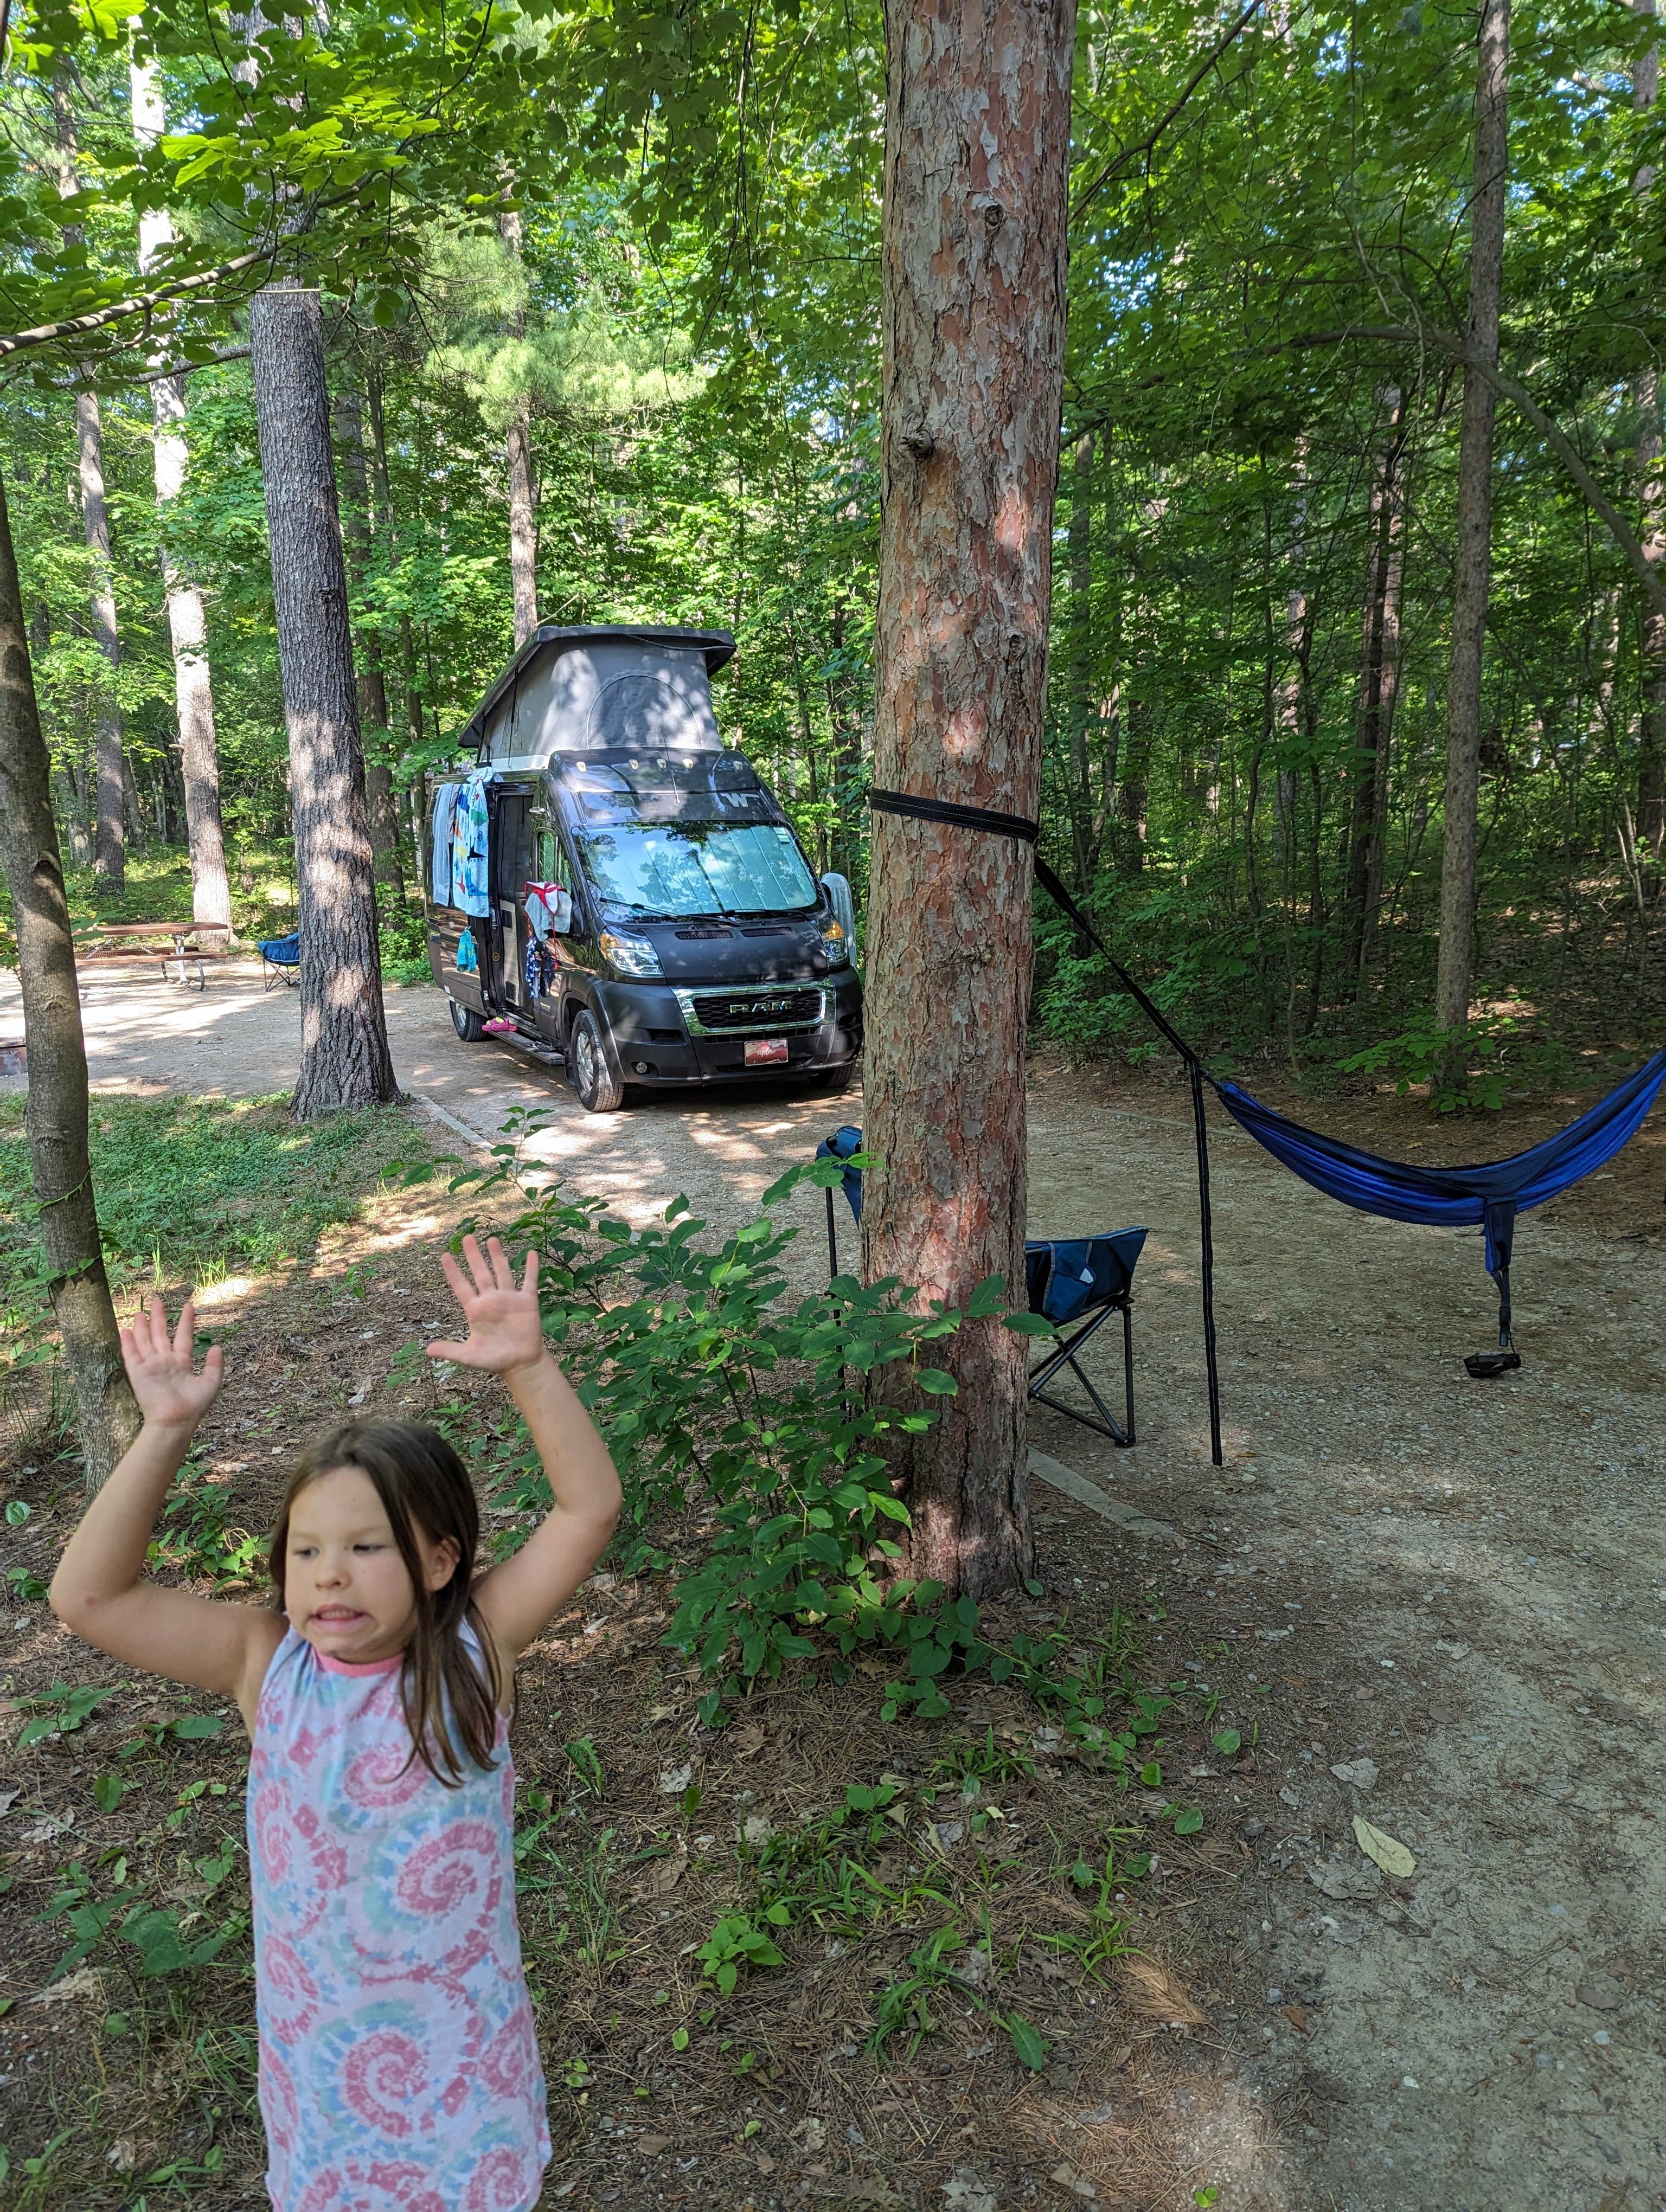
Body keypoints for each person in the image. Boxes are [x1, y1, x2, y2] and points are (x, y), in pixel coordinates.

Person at [49, 1235, 622, 2212]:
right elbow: (89, 1600)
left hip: (464, 2073)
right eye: (306, 1550)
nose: (328, 1574)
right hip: (323, 2077)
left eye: (366, 1546)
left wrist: (529, 1367)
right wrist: (165, 1431)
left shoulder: (477, 1650)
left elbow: (588, 1508)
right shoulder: (264, 1666)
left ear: (440, 1562)